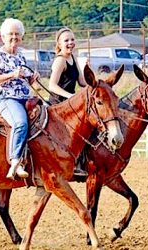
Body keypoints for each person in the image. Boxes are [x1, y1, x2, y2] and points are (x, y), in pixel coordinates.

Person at [0, 18, 39, 179]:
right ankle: (15, 161)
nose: (14, 37)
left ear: (22, 37)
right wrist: (12, 74)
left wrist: (33, 79)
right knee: (20, 123)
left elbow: (29, 81)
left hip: (24, 96)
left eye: (17, 34)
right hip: (6, 98)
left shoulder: (21, 56)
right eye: (11, 34)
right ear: (3, 36)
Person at [48, 27, 88, 177]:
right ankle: (75, 164)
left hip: (70, 103)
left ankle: (83, 163)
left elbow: (82, 82)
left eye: (72, 39)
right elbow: (52, 85)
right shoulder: (60, 60)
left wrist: (97, 85)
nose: (70, 43)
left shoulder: (73, 58)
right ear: (59, 43)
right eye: (66, 40)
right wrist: (70, 96)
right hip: (58, 104)